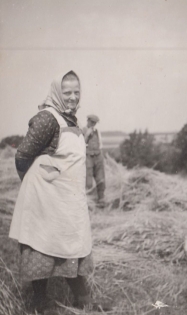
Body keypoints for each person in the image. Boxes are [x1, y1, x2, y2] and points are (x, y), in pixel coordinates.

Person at [9, 71, 94, 314]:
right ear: (57, 92)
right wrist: (35, 185)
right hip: (46, 197)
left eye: (76, 92)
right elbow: (23, 155)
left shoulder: (72, 121)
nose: (72, 97)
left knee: (71, 243)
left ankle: (84, 299)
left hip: (67, 196)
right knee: (42, 246)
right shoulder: (47, 118)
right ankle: (41, 303)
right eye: (67, 92)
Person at [83, 115, 105, 208]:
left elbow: (100, 144)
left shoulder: (97, 131)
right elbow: (81, 143)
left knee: (101, 178)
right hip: (88, 157)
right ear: (87, 121)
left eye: (94, 123)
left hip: (98, 156)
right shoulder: (83, 130)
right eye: (92, 122)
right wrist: (87, 135)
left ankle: (101, 200)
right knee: (88, 180)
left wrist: (101, 155)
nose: (93, 124)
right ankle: (88, 202)